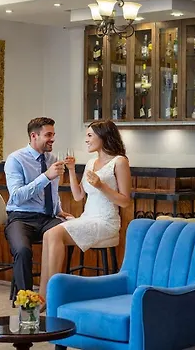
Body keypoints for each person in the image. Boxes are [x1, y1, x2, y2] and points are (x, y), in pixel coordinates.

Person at [38, 119, 132, 305]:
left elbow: (125, 201)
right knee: (48, 234)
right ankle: (42, 296)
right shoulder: (90, 163)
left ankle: (52, 296)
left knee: (55, 234)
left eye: (89, 135)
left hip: (106, 222)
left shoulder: (119, 162)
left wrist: (102, 186)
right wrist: (72, 170)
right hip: (87, 218)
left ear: (103, 136)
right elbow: (78, 195)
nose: (86, 140)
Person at [4, 117, 72, 292]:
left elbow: (52, 191)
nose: (53, 139)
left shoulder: (53, 158)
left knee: (69, 235)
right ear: (34, 136)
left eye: (53, 134)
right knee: (22, 251)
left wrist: (59, 210)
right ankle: (26, 300)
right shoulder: (15, 159)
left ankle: (53, 294)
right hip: (21, 217)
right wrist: (46, 176)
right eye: (48, 135)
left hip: (48, 218)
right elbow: (16, 197)